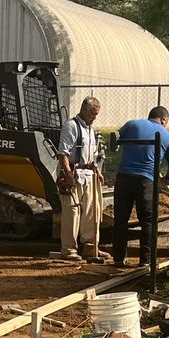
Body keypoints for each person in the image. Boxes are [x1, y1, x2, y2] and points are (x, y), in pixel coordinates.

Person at [112, 105, 169, 267]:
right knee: (147, 221)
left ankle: (118, 258)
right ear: (163, 120)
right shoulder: (167, 136)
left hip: (123, 178)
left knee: (120, 219)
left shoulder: (132, 124)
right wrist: (167, 179)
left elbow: (115, 138)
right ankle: (145, 261)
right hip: (146, 181)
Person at [57, 96, 108, 261]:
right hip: (74, 174)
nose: (95, 117)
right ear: (84, 110)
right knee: (72, 212)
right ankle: (69, 250)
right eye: (93, 113)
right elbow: (63, 153)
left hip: (88, 175)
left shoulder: (91, 130)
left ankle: (90, 247)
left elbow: (91, 155)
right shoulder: (71, 126)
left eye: (96, 114)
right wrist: (68, 175)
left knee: (90, 212)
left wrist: (97, 171)